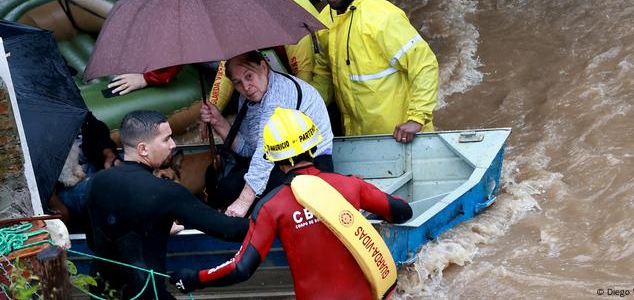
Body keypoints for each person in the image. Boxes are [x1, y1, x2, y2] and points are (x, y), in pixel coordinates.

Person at [169, 108, 412, 298]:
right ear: (315, 146)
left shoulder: (271, 207)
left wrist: (193, 278)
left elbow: (241, 268)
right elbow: (402, 212)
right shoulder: (350, 185)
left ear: (272, 159)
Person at [86, 110, 248, 299]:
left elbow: (94, 240)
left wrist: (155, 228)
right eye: (166, 139)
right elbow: (227, 230)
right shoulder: (164, 191)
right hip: (147, 295)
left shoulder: (96, 182)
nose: (173, 145)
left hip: (100, 294)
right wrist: (271, 216)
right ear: (143, 149)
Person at [311, 0, 439, 143]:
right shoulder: (324, 21)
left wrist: (417, 118)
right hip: (358, 139)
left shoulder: (382, 17)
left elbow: (424, 64)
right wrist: (306, 107)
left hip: (403, 137)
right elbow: (324, 74)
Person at [199, 51, 333, 217]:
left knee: (242, 196)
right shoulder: (248, 99)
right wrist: (218, 122)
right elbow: (248, 149)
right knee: (225, 187)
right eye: (238, 83)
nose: (246, 87)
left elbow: (264, 153)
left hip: (310, 163)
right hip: (281, 163)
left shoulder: (278, 94)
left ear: (263, 67)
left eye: (249, 76)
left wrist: (243, 202)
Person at [202, 0, 321, 113]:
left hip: (316, 88)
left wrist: (294, 114)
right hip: (279, 87)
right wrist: (214, 107)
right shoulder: (236, 11)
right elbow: (229, 65)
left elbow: (304, 71)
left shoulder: (283, 5)